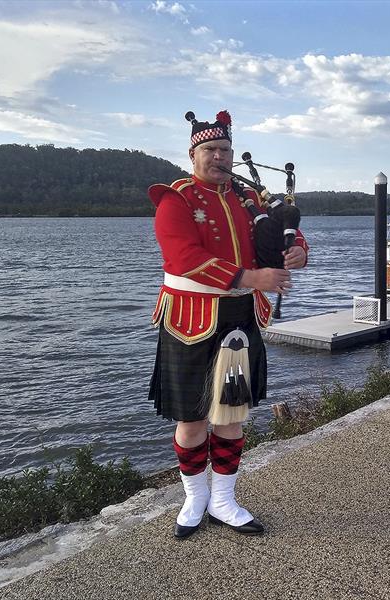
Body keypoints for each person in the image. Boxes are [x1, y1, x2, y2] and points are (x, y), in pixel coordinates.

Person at [147, 109, 308, 539]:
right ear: (193, 153)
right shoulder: (175, 199)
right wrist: (253, 277)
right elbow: (183, 258)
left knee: (231, 414)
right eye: (210, 150)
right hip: (190, 319)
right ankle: (194, 497)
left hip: (239, 318)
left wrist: (296, 252)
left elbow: (285, 231)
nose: (218, 157)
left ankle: (223, 499)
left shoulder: (250, 198)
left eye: (225, 150)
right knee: (192, 418)